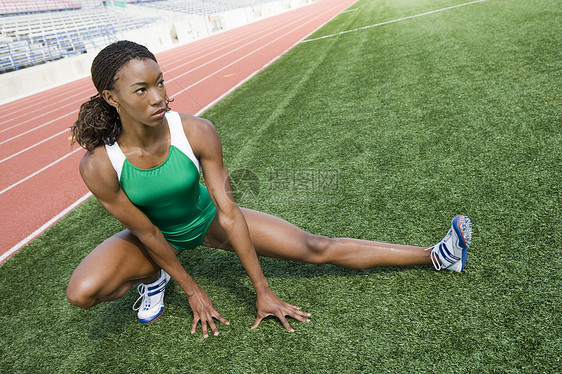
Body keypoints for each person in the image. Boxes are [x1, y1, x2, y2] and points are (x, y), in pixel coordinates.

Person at [66, 40, 472, 338]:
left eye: (160, 82)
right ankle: (155, 278)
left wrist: (263, 290)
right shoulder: (100, 165)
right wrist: (192, 288)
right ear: (111, 97)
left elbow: (228, 212)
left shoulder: (195, 131)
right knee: (82, 293)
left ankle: (436, 255)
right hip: (154, 237)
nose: (160, 97)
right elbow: (148, 231)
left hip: (207, 219)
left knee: (316, 247)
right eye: (142, 90)